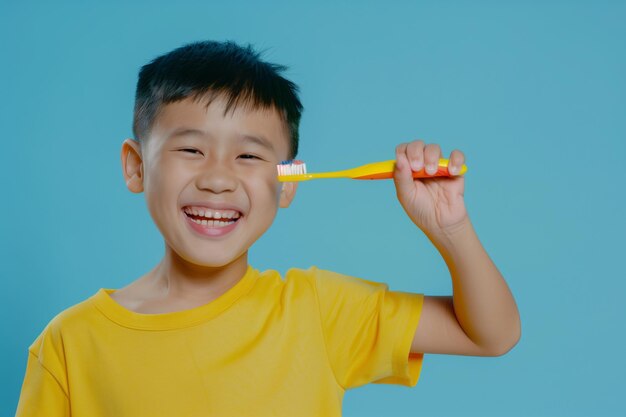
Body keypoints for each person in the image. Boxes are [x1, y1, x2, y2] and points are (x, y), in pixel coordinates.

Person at [15, 40, 521, 417]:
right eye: (191, 149)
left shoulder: (320, 311)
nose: (217, 179)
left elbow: (491, 336)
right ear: (136, 166)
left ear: (288, 182)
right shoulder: (69, 343)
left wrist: (450, 229)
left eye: (249, 155)